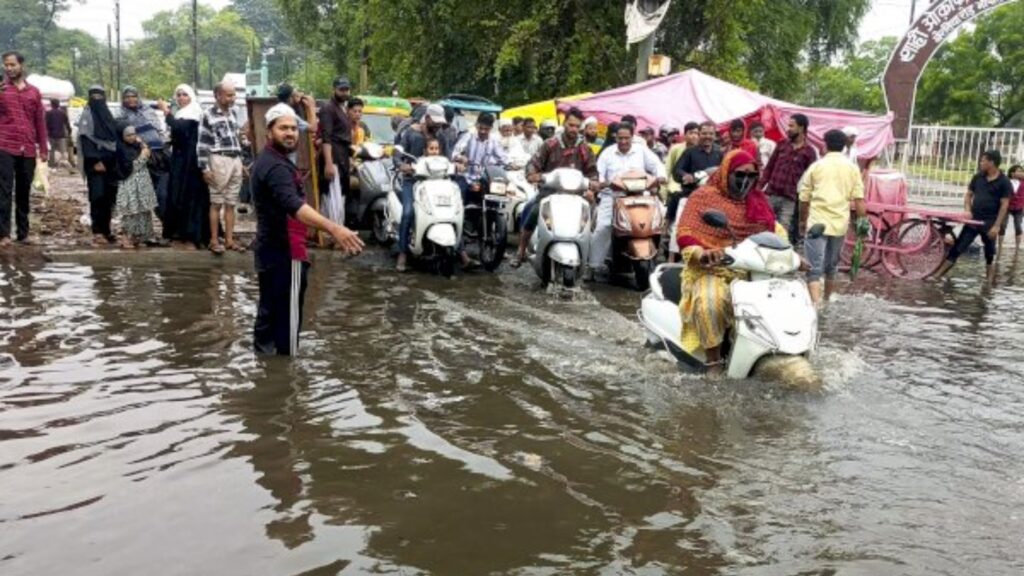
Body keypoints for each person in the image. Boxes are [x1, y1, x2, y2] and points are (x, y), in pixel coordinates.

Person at [250, 103, 364, 356]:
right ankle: (285, 383)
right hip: (285, 253)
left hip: (270, 250)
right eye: (283, 128)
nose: (290, 133)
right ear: (269, 131)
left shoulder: (269, 160)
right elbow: (295, 206)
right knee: (287, 329)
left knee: (268, 316)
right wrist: (334, 228)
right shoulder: (277, 167)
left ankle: (266, 375)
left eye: (293, 128)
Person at [675, 149, 780, 374]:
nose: (745, 181)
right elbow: (684, 232)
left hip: (751, 270)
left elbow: (775, 233)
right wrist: (703, 252)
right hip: (710, 268)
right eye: (740, 175)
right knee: (709, 301)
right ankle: (713, 361)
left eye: (751, 176)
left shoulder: (760, 202)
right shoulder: (703, 196)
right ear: (726, 173)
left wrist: (793, 256)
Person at [510, 108, 598, 268]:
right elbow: (533, 163)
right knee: (533, 211)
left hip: (577, 195)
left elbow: (592, 171)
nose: (574, 129)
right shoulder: (550, 144)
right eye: (571, 125)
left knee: (592, 216)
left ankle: (589, 258)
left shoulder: (585, 148)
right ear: (564, 123)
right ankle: (521, 251)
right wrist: (533, 175)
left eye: (577, 126)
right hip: (550, 192)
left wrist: (593, 186)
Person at [798, 129, 867, 306]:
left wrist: (802, 221)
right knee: (831, 266)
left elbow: (804, 198)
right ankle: (827, 300)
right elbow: (859, 200)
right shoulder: (852, 168)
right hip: (839, 224)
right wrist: (862, 225)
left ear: (824, 144)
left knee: (813, 266)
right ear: (844, 146)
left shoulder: (817, 166)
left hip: (816, 223)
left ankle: (815, 305)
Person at [590, 122, 666, 280]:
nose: (623, 142)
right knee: (603, 226)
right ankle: (593, 266)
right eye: (620, 138)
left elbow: (657, 164)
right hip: (612, 196)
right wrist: (602, 182)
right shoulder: (607, 153)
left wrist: (661, 176)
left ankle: (656, 257)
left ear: (633, 137)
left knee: (658, 221)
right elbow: (599, 174)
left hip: (640, 196)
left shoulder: (641, 151)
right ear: (614, 137)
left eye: (627, 138)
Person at [934, 150, 1012, 283]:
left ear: (991, 162)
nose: (980, 163)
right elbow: (968, 195)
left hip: (990, 222)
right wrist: (968, 210)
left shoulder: (1004, 182)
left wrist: (997, 226)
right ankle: (937, 277)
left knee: (989, 253)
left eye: (983, 161)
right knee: (958, 248)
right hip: (973, 220)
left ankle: (988, 282)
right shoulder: (978, 177)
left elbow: (1004, 205)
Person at [395, 103, 451, 271]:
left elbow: (448, 157)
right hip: (412, 181)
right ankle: (402, 252)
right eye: (436, 122)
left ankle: (460, 251)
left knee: (452, 209)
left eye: (441, 122)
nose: (439, 125)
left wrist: (458, 163)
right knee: (408, 212)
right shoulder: (411, 133)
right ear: (427, 118)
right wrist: (401, 165)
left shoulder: (441, 136)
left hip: (436, 181)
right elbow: (397, 155)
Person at [0, 50, 48, 247]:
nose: (9, 68)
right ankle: (3, 234)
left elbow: (39, 121)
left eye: (12, 65)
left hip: (27, 148)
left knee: (23, 192)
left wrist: (43, 148)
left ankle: (23, 233)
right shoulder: (2, 89)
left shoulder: (34, 92)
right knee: (4, 191)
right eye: (6, 65)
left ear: (21, 65)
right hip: (4, 145)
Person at [157, 84, 209, 250]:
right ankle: (179, 234)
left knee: (190, 196)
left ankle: (192, 236)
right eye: (178, 95)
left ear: (191, 97)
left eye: (184, 95)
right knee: (176, 194)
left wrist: (166, 111)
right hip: (179, 159)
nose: (181, 98)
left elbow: (180, 128)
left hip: (191, 160)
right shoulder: (181, 113)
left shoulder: (194, 112)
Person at [198, 81, 244, 255]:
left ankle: (230, 240)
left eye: (233, 94)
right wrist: (204, 168)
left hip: (235, 159)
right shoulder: (208, 115)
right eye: (229, 95)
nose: (233, 98)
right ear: (218, 95)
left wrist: (241, 160)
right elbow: (202, 143)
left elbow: (237, 138)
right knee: (216, 202)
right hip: (218, 158)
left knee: (231, 202)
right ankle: (214, 240)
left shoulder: (232, 114)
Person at [669, 121, 723, 261]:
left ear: (714, 135)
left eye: (710, 134)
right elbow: (677, 170)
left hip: (712, 201)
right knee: (679, 229)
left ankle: (707, 260)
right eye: (704, 133)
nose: (707, 136)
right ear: (699, 134)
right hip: (689, 197)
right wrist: (685, 176)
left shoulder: (720, 153)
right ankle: (671, 263)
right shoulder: (690, 152)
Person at [117, 86, 170, 229]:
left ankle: (170, 226)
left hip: (160, 155)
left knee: (164, 194)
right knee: (144, 197)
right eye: (127, 96)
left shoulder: (148, 110)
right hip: (141, 157)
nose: (130, 99)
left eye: (133, 96)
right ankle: (140, 232)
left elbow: (158, 130)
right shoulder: (121, 115)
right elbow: (124, 137)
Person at [759, 113, 817, 239]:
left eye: (792, 126)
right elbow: (769, 167)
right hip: (771, 195)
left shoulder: (809, 152)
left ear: (801, 128)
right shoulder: (782, 144)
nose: (788, 129)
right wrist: (759, 188)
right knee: (762, 227)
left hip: (789, 200)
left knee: (782, 234)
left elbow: (812, 178)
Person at [78, 85, 120, 246]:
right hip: (95, 164)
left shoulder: (109, 115)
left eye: (99, 96)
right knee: (97, 197)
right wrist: (95, 160)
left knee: (109, 198)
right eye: (93, 96)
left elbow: (114, 137)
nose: (97, 100)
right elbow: (85, 140)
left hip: (111, 164)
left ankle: (107, 230)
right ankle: (98, 231)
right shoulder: (87, 116)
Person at [114, 125, 159, 249]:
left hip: (143, 183)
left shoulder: (138, 146)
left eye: (134, 134)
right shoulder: (121, 149)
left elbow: (151, 160)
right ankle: (126, 238)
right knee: (130, 211)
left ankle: (140, 236)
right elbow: (131, 167)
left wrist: (143, 147)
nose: (132, 137)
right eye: (128, 135)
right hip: (129, 183)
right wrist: (143, 155)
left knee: (144, 210)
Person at [319, 76, 353, 226]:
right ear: (334, 90)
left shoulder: (342, 108)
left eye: (346, 90)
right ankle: (334, 234)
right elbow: (326, 137)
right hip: (333, 156)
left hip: (343, 155)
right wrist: (328, 163)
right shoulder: (328, 108)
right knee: (333, 197)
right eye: (341, 90)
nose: (345, 93)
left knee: (341, 194)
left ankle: (335, 234)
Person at [1000, 164, 1024, 253]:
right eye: (1019, 171)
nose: (1021, 173)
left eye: (1022, 171)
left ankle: (1017, 248)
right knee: (1002, 225)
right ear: (1012, 172)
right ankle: (1000, 247)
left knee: (1018, 226)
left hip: (1019, 207)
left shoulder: (1023, 181)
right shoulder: (1006, 181)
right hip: (1007, 206)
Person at [45, 98, 71, 169]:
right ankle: (64, 164)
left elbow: (45, 124)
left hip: (51, 134)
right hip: (61, 135)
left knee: (52, 151)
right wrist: (69, 132)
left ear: (51, 104)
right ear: (58, 104)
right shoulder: (62, 113)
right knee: (63, 151)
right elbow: (67, 124)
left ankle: (51, 164)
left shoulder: (48, 113)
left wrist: (45, 133)